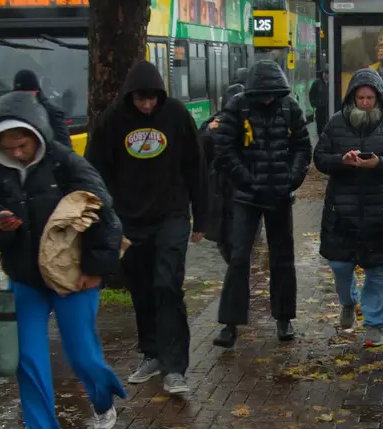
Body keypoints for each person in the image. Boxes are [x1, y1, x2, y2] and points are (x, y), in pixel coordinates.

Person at [0, 92, 126, 429]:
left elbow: (104, 215)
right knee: (28, 359)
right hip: (26, 279)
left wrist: (96, 269)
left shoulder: (66, 163)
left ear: (36, 135)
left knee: (82, 355)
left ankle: (103, 397)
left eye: (22, 145)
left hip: (73, 276)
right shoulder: (1, 172)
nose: (18, 153)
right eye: (8, 147)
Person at [86, 60, 206, 397]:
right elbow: (94, 167)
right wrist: (99, 216)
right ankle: (151, 353)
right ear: (130, 96)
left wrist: (203, 216)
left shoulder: (176, 116)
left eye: (153, 98)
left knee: (168, 284)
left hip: (171, 214)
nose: (147, 105)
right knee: (141, 286)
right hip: (129, 219)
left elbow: (195, 165)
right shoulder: (113, 120)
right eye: (141, 99)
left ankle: (175, 367)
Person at [211, 58, 312, 347]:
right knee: (239, 257)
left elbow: (303, 147)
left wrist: (291, 179)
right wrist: (247, 180)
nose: (268, 99)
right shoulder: (237, 107)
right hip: (247, 196)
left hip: (280, 195)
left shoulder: (289, 107)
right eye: (263, 94)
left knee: (282, 257)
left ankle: (284, 319)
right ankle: (229, 324)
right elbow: (224, 150)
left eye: (272, 94)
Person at [313, 69, 383, 347]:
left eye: (370, 97)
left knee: (379, 269)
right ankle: (348, 302)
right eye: (361, 97)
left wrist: (378, 163)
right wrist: (342, 160)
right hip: (342, 210)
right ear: (352, 98)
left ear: (378, 98)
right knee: (339, 265)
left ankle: (373, 324)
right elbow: (320, 159)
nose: (366, 102)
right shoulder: (336, 124)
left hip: (381, 211)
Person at [199, 76, 246, 265]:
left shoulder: (251, 123)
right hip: (220, 190)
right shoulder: (212, 125)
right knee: (225, 239)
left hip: (242, 191)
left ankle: (238, 273)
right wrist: (208, 133)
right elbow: (200, 154)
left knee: (239, 241)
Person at [13, 69, 72, 145]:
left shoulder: (52, 112)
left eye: (27, 94)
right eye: (19, 94)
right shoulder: (12, 111)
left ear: (36, 91)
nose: (23, 98)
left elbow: (64, 145)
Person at [307, 67, 330, 139]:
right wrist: (314, 104)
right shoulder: (317, 83)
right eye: (326, 74)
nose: (327, 76)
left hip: (328, 107)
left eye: (328, 74)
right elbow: (311, 94)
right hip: (320, 107)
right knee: (320, 123)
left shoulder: (331, 83)